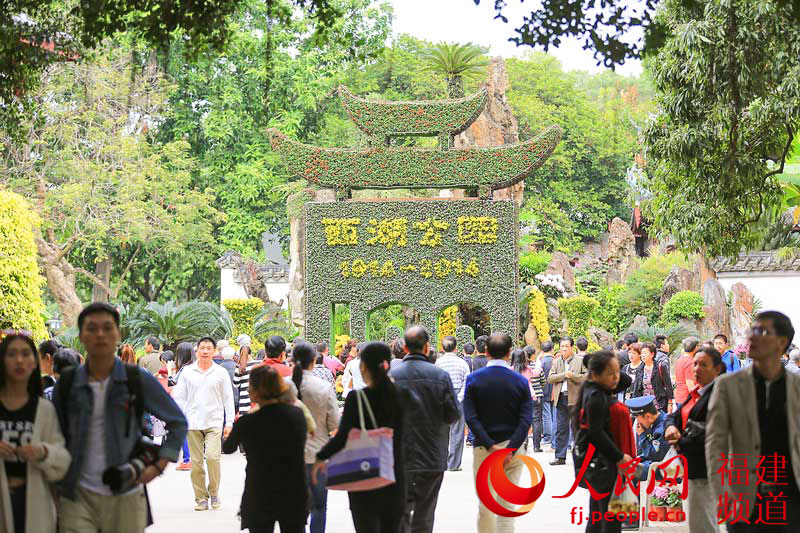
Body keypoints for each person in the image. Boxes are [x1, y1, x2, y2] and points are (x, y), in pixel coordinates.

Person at [53, 303, 188, 532]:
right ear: (82, 336)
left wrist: (157, 467)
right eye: (91, 328)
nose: (100, 334)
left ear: (117, 334)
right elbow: (54, 433)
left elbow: (178, 421)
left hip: (126, 493)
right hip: (76, 496)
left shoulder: (136, 378)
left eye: (107, 327)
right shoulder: (68, 382)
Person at [706, 311, 800, 532]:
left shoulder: (796, 387)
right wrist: (722, 492)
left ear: (782, 342)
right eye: (752, 330)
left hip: (790, 495)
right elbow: (715, 444)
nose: (752, 337)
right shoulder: (728, 386)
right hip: (742, 496)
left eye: (762, 331)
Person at [313, 342, 417, 533]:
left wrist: (320, 457)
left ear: (363, 367)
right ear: (388, 364)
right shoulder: (404, 395)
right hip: (396, 476)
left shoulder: (356, 399)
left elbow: (342, 437)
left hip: (363, 474)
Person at [223, 365, 308, 533]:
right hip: (293, 487)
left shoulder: (247, 422)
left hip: (259, 489)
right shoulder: (296, 415)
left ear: (255, 391)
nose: (248, 390)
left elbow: (228, 448)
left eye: (250, 386)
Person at [390, 326, 460, 532]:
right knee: (425, 513)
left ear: (404, 347)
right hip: (431, 454)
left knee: (399, 512)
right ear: (427, 347)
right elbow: (453, 414)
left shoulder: (391, 376)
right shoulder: (439, 376)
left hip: (399, 455)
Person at [0, 332, 71, 533]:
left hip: (35, 505)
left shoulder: (44, 409)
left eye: (25, 353)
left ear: (35, 362)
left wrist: (43, 452)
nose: (19, 360)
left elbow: (63, 460)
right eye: (12, 354)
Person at [463, 333, 533, 533]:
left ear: (485, 352)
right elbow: (525, 419)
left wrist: (489, 444)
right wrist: (510, 448)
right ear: (510, 352)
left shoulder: (473, 380)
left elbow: (471, 416)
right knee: (507, 506)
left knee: (486, 506)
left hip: (484, 449)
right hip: (514, 449)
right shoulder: (519, 381)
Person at [664, 347, 726, 533]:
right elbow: (673, 416)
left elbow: (714, 434)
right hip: (691, 466)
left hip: (705, 468)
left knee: (702, 523)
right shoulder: (696, 393)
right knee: (700, 521)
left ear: (717, 369)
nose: (696, 369)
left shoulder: (719, 395)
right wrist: (670, 427)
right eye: (695, 364)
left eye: (703, 365)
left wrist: (678, 442)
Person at [572, 351, 634, 533]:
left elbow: (626, 381)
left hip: (597, 465)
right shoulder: (597, 397)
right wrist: (619, 457)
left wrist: (607, 364)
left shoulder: (593, 388)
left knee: (597, 516)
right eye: (610, 373)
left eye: (617, 371)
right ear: (596, 374)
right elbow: (596, 433)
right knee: (611, 519)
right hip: (605, 464)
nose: (616, 377)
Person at [171, 336, 235, 511]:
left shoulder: (220, 372)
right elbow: (179, 398)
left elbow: (228, 399)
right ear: (197, 351)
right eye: (202, 348)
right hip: (192, 423)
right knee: (197, 464)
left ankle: (214, 492)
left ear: (214, 351)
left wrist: (229, 422)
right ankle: (201, 498)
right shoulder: (188, 372)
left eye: (209, 348)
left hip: (214, 421)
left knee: (213, 457)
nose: (205, 351)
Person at [288, 342, 340, 533]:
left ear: (292, 361)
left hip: (287, 457)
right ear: (313, 362)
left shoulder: (282, 386)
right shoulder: (324, 388)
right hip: (317, 455)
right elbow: (335, 425)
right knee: (318, 506)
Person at [547, 336, 586, 466]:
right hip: (561, 398)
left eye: (566, 346)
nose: (563, 349)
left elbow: (587, 377)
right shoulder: (557, 361)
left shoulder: (580, 360)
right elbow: (550, 378)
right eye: (561, 346)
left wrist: (572, 376)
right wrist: (564, 374)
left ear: (572, 347)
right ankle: (560, 457)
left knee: (578, 429)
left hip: (575, 399)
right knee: (561, 428)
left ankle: (581, 457)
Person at [434, 335, 471, 471]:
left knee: (442, 431)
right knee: (457, 432)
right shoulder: (463, 363)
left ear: (443, 348)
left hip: (442, 398)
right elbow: (467, 382)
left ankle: (442, 461)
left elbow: (436, 381)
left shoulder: (438, 363)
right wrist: (459, 397)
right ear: (456, 348)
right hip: (458, 397)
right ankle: (454, 464)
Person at [624, 396, 670, 480]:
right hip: (653, 462)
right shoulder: (654, 422)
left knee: (628, 471)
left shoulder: (662, 428)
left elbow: (656, 457)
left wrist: (642, 435)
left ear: (647, 416)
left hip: (665, 468)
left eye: (638, 419)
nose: (638, 423)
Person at [513, 348, 543, 453]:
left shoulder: (510, 370)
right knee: (535, 420)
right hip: (530, 396)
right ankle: (536, 446)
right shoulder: (528, 370)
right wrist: (538, 359)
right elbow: (538, 372)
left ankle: (522, 443)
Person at [171, 342, 194, 471]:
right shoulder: (195, 368)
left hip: (183, 405)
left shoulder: (184, 370)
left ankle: (187, 460)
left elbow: (174, 386)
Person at [632, 342, 673, 413]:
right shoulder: (639, 369)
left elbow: (668, 386)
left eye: (645, 353)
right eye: (642, 353)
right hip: (645, 405)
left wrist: (670, 403)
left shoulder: (661, 367)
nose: (643, 355)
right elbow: (636, 389)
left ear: (652, 354)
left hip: (660, 404)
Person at [673, 336, 700, 405]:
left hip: (679, 396)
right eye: (699, 346)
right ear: (696, 347)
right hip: (687, 399)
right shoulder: (690, 362)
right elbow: (690, 384)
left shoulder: (680, 359)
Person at [539, 341, 555, 447]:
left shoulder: (541, 363)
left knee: (546, 415)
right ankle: (553, 437)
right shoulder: (556, 361)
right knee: (554, 415)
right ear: (552, 349)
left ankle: (548, 437)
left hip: (544, 391)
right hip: (555, 391)